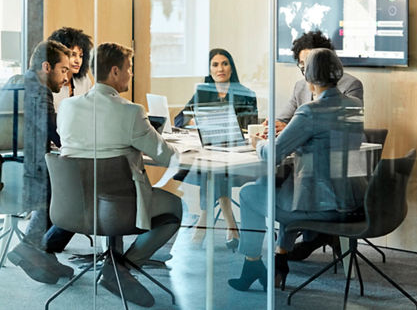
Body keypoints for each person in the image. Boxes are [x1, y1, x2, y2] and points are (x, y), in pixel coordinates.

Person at [54, 42, 182, 307]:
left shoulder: (67, 107)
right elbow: (167, 156)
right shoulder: (131, 111)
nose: (130, 74)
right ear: (114, 72)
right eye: (129, 69)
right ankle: (121, 268)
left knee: (114, 191)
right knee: (175, 207)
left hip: (74, 208)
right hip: (117, 208)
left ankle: (117, 264)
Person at [228, 48, 366, 293]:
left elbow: (273, 153)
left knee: (249, 194)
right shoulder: (354, 105)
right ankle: (279, 261)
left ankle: (252, 263)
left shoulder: (309, 112)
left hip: (319, 207)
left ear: (309, 78)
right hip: (352, 202)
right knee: (278, 188)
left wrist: (257, 143)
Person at [263, 30, 363, 260]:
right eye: (301, 64)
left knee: (265, 191)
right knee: (284, 181)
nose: (305, 69)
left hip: (332, 178)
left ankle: (277, 258)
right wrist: (281, 126)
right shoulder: (300, 87)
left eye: (309, 62)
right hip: (311, 171)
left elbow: (336, 128)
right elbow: (285, 119)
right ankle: (287, 250)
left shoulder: (351, 87)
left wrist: (272, 139)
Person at [8, 40, 74, 284]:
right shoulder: (38, 89)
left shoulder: (14, 83)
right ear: (47, 67)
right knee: (76, 190)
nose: (66, 77)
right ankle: (32, 247)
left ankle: (43, 256)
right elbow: (54, 129)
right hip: (30, 173)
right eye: (64, 69)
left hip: (10, 168)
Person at [176, 48, 257, 249]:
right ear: (209, 69)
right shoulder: (203, 91)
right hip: (210, 154)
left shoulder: (245, 94)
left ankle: (203, 224)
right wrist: (193, 120)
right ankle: (231, 225)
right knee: (213, 170)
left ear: (231, 67)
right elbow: (179, 119)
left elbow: (249, 128)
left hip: (237, 159)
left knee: (214, 172)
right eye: (215, 64)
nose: (220, 68)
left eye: (224, 63)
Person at [48, 27, 93, 111]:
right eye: (73, 55)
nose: (78, 61)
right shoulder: (49, 83)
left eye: (81, 56)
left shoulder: (85, 80)